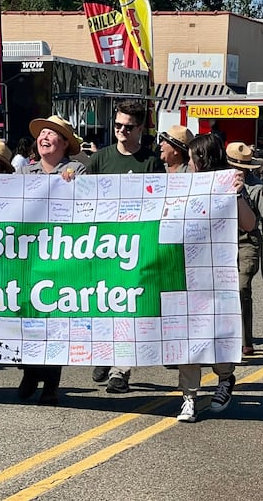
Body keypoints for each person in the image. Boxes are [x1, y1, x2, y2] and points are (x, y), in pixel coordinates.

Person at [176, 133, 256, 423]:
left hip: (218, 271)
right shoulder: (182, 183)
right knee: (188, 333)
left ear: (202, 158)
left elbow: (249, 224)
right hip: (187, 269)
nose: (188, 164)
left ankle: (225, 378)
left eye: (191, 159)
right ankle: (189, 396)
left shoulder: (229, 184)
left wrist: (236, 194)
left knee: (219, 328)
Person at [87, 100, 165, 394]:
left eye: (128, 127)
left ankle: (121, 370)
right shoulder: (101, 159)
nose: (121, 130)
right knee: (103, 304)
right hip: (102, 246)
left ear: (141, 129)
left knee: (128, 307)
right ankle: (104, 354)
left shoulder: (150, 162)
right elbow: (82, 196)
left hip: (136, 246)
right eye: (117, 125)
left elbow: (160, 201)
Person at [16, 115, 86, 406]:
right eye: (42, 133)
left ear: (65, 143)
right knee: (29, 315)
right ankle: (31, 373)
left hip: (60, 253)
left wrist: (73, 185)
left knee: (54, 317)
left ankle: (51, 384)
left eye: (52, 134)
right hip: (29, 253)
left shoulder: (76, 170)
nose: (44, 137)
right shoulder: (24, 173)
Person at [226, 141, 263, 357]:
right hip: (223, 243)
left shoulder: (256, 188)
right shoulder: (219, 183)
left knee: (242, 288)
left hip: (247, 243)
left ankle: (245, 342)